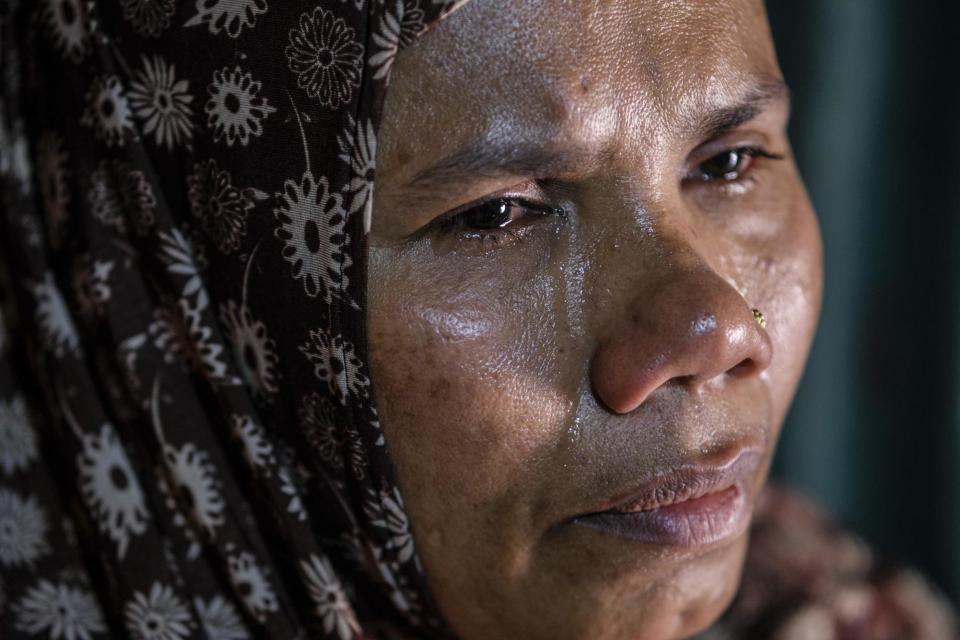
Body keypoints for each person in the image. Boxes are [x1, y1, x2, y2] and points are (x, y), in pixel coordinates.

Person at [0, 1, 954, 639]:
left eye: (729, 164)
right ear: (194, 300)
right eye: (497, 215)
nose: (717, 329)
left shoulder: (838, 614)